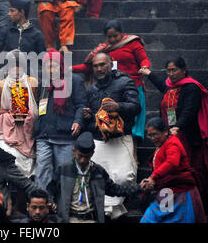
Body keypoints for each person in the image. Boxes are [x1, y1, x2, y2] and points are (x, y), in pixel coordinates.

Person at [139, 57, 208, 201]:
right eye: (168, 71)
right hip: (171, 133)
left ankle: (193, 201)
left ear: (184, 70)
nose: (171, 74)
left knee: (187, 167)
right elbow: (163, 86)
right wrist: (149, 74)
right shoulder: (171, 86)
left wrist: (177, 127)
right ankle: (173, 199)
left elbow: (189, 111)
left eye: (174, 70)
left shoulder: (192, 88)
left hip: (187, 135)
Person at [73, 19, 151, 162]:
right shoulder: (103, 51)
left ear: (122, 33)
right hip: (111, 87)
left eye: (116, 36)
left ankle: (133, 155)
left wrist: (145, 67)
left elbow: (143, 59)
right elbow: (90, 67)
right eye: (110, 37)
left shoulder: (133, 43)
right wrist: (70, 69)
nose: (113, 39)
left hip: (132, 86)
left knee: (134, 124)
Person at [82, 52, 140, 219]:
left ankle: (116, 212)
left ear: (111, 64)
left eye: (103, 64)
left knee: (124, 177)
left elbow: (136, 107)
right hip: (100, 140)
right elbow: (91, 118)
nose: (99, 68)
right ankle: (104, 214)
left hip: (121, 139)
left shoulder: (125, 81)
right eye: (96, 66)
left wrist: (118, 106)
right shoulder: (91, 90)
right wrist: (88, 117)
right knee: (97, 179)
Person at [47, 131, 141, 223]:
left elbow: (115, 189)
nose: (83, 160)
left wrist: (139, 187)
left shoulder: (97, 172)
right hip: (69, 219)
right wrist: (52, 201)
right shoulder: (63, 169)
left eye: (86, 157)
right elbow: (51, 189)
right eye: (80, 156)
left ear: (92, 154)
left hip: (91, 219)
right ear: (74, 151)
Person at [33, 49, 86, 190]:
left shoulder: (74, 80)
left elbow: (81, 104)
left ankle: (62, 203)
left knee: (64, 172)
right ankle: (43, 202)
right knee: (41, 171)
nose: (51, 70)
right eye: (47, 66)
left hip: (65, 136)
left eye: (54, 66)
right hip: (44, 135)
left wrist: (78, 121)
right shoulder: (43, 83)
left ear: (61, 65)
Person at [140, 118, 207, 223]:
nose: (152, 138)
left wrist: (153, 177)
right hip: (167, 192)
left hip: (179, 192)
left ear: (166, 132)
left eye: (155, 134)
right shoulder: (162, 144)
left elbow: (172, 163)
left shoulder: (172, 144)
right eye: (150, 135)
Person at [0, 50, 39, 178]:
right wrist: (7, 114)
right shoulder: (0, 86)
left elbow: (37, 105)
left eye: (19, 65)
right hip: (7, 131)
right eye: (13, 65)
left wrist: (28, 114)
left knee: (26, 171)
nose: (16, 69)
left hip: (27, 132)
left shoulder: (33, 83)